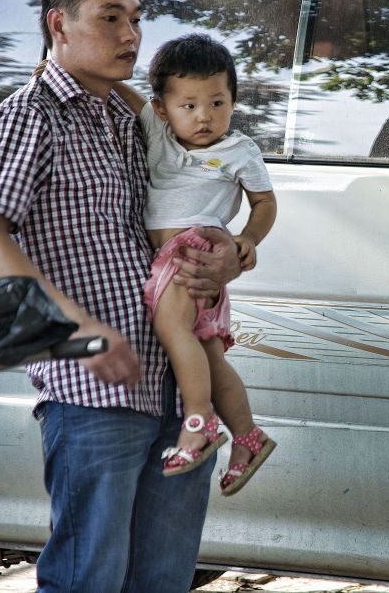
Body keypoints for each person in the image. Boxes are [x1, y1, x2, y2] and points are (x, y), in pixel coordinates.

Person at [0, 0, 241, 592]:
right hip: (95, 398)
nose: (132, 35)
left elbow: (190, 208)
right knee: (89, 578)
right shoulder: (24, 118)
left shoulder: (132, 118)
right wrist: (75, 330)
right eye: (111, 18)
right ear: (59, 24)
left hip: (178, 389)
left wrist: (233, 253)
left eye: (137, 19)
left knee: (162, 580)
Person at [106, 33, 277, 495]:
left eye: (217, 103)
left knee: (172, 330)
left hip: (194, 251)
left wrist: (248, 238)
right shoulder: (157, 129)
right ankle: (248, 437)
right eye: (189, 106)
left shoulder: (240, 150)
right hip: (170, 256)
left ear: (233, 101)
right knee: (208, 352)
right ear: (164, 109)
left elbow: (263, 202)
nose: (204, 116)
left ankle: (197, 425)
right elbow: (127, 91)